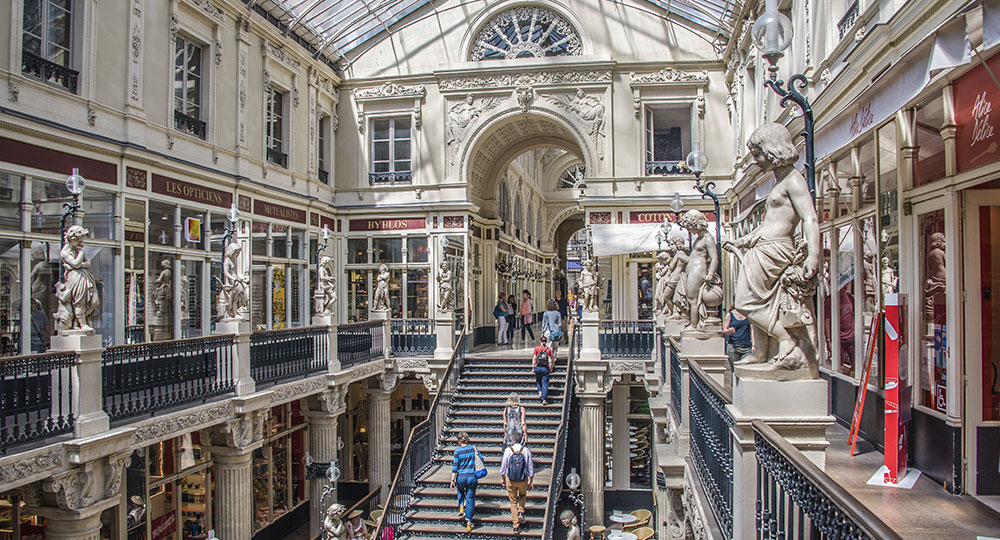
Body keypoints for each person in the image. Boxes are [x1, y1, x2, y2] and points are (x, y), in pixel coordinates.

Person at [500, 440, 535, 534]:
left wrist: (503, 478)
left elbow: (503, 467)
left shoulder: (508, 450)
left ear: (513, 441)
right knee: (522, 495)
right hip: (523, 479)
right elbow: (530, 466)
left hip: (511, 479)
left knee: (513, 501)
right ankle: (521, 511)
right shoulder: (526, 450)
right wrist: (531, 480)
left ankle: (515, 526)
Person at [450, 432, 481, 532]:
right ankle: (469, 522)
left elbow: (455, 467)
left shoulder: (457, 451)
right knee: (470, 498)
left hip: (461, 477)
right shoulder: (474, 448)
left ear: (459, 441)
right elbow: (482, 460)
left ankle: (461, 506)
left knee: (459, 489)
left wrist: (452, 480)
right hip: (472, 476)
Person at [533, 335, 555, 404]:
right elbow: (552, 358)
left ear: (540, 341)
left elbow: (534, 358)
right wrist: (551, 366)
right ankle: (544, 399)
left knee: (538, 380)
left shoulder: (537, 348)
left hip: (538, 367)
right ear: (546, 341)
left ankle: (539, 391)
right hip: (545, 368)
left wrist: (533, 367)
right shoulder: (548, 349)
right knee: (545, 383)